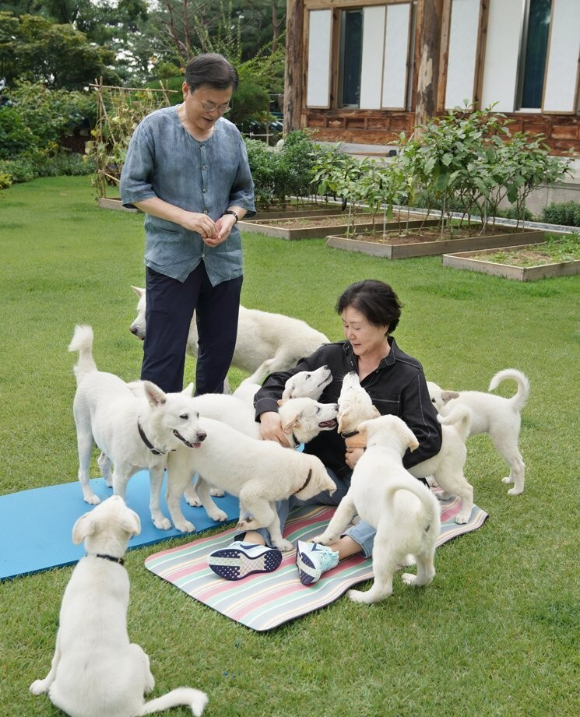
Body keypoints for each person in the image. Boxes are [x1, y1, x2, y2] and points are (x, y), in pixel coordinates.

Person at [207, 279, 443, 583]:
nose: (349, 334)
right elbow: (277, 383)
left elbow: (429, 436)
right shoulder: (330, 356)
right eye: (345, 325)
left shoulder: (408, 374)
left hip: (373, 483)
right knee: (269, 465)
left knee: (411, 502)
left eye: (357, 326)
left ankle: (330, 552)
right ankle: (253, 545)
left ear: (384, 324)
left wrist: (373, 455)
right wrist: (267, 411)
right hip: (319, 475)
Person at [120, 53, 255, 394]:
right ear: (186, 89)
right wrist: (185, 218)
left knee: (219, 351)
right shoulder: (154, 128)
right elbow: (133, 189)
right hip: (171, 260)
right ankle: (156, 438)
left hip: (224, 262)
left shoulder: (231, 134)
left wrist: (230, 217)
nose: (215, 113)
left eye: (223, 106)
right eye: (209, 104)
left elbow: (244, 193)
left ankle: (208, 430)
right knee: (163, 353)